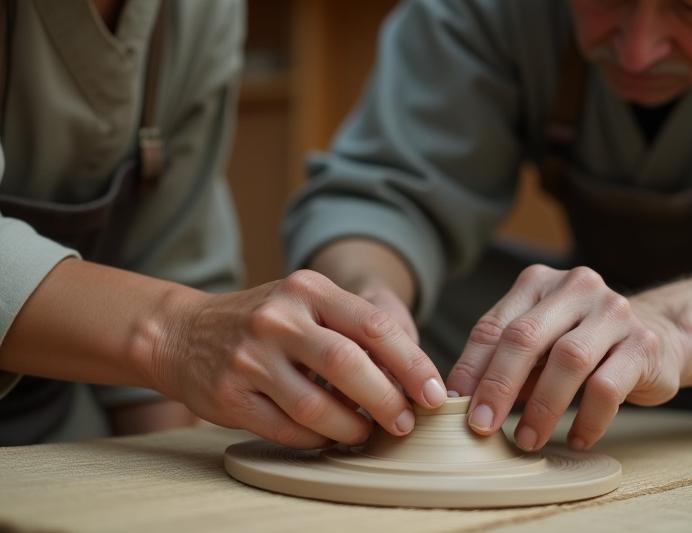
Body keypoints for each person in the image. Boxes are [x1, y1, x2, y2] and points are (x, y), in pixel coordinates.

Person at [283, 0, 692, 454]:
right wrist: (369, 307)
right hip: (563, 375)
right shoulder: (488, 11)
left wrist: (670, 331)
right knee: (446, 305)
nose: (639, 50)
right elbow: (380, 195)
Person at [0, 0, 446, 446]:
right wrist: (177, 334)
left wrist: (175, 490)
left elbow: (169, 255)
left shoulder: (201, 11)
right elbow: (180, 348)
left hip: (63, 431)